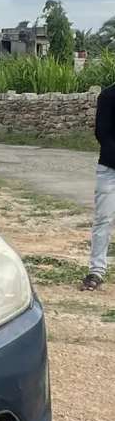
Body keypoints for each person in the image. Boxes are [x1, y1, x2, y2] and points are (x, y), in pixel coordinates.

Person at [82, 83, 115, 290]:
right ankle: (96, 271)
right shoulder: (108, 96)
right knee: (103, 219)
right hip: (110, 168)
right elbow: (102, 134)